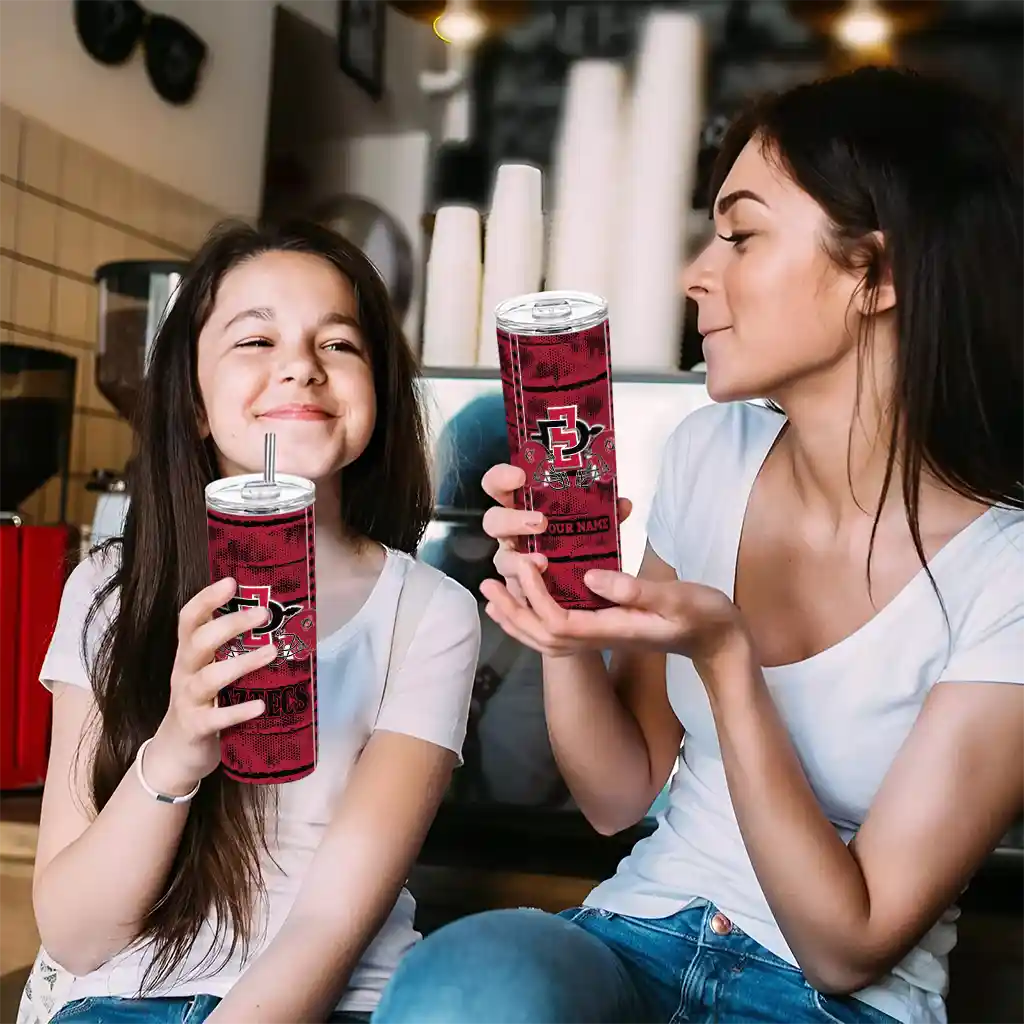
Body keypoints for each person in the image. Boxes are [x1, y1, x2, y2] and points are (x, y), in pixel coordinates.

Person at [371, 66, 1024, 1024]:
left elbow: (848, 948)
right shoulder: (710, 453)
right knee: (467, 988)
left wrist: (727, 659)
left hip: (828, 1000)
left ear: (876, 275)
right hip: (636, 935)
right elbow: (616, 794)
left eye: (741, 235)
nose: (696, 274)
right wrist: (565, 625)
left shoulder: (1005, 572)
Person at [32, 221, 481, 1022]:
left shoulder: (427, 613)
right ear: (195, 404)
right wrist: (176, 751)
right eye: (256, 339)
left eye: (338, 344)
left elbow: (328, 926)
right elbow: (74, 936)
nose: (302, 365)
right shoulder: (109, 590)